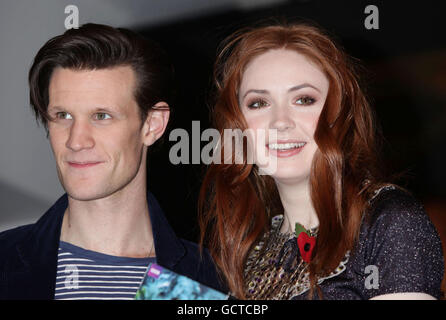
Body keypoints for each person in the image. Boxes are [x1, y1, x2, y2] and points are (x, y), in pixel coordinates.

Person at [198, 23, 444, 300]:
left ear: (341, 114)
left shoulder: (389, 221)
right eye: (258, 103)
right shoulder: (252, 252)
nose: (280, 122)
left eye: (304, 99)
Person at [0, 23, 223, 299]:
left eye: (101, 116)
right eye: (63, 116)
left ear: (152, 124)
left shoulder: (211, 281)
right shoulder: (5, 262)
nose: (76, 141)